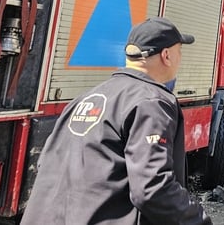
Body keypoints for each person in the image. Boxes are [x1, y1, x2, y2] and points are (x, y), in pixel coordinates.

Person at [21, 17, 209, 224]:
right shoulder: (151, 102)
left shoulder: (86, 97)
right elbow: (153, 189)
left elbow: (46, 163)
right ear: (166, 55)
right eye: (179, 51)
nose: (180, 57)